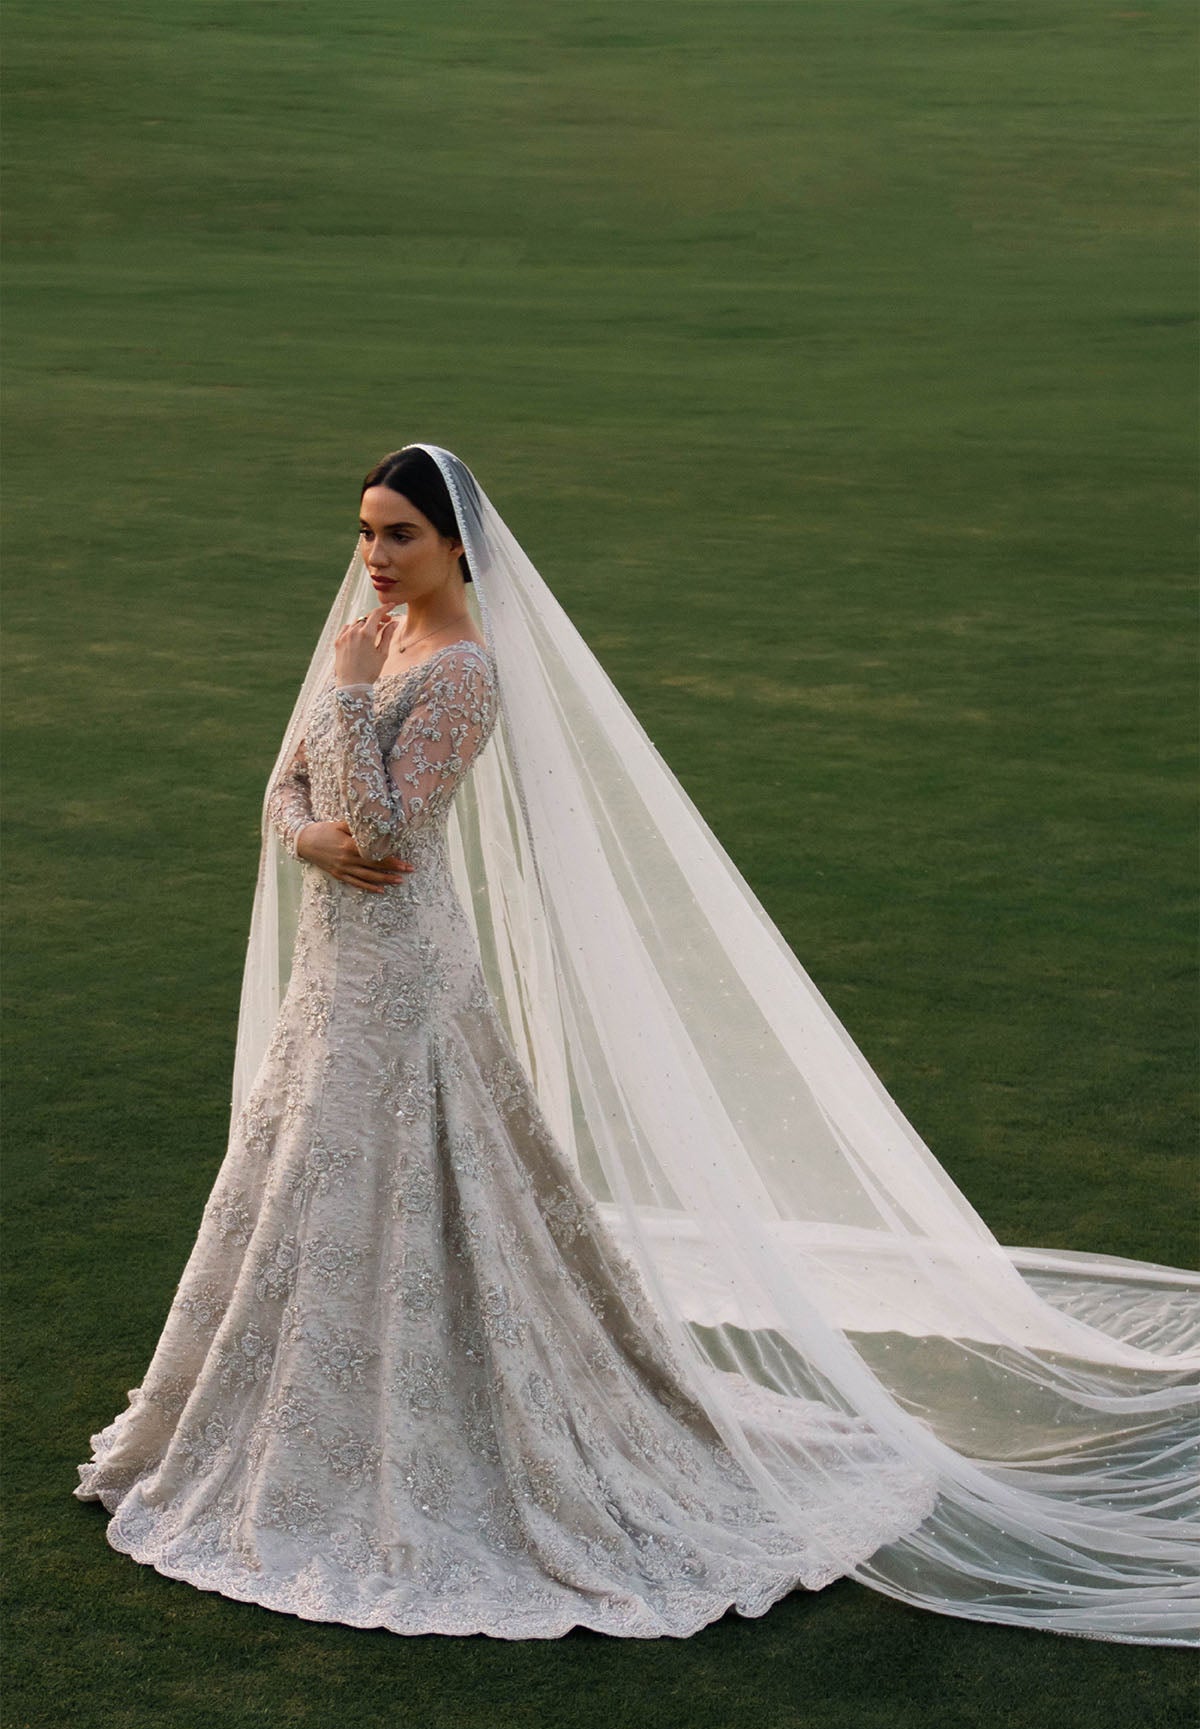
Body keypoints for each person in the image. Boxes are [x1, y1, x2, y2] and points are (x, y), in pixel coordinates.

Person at [76, 446, 1198, 1646]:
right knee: (313, 1168)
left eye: (399, 534)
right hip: (337, 968)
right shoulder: (370, 639)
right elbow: (287, 794)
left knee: (409, 1169)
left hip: (401, 973)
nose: (374, 558)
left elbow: (392, 831)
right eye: (364, 532)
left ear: (459, 545)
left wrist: (350, 708)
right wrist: (312, 837)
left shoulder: (458, 672)